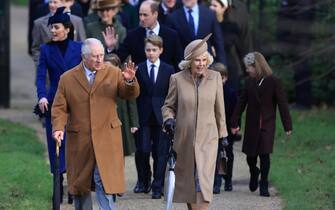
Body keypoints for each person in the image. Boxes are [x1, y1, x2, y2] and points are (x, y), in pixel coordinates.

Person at [51, 38, 139, 209]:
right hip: (80, 139)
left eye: (101, 55)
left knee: (103, 180)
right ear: (84, 57)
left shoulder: (113, 72)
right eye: (95, 56)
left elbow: (129, 94)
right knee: (80, 185)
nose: (100, 59)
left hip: (107, 137)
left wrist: (129, 81)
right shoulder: (67, 78)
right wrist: (58, 128)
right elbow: (59, 108)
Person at [162, 34, 227, 210]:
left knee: (203, 182)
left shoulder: (215, 78)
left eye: (204, 60)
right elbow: (168, 106)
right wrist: (168, 119)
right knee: (188, 183)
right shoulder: (177, 79)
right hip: (184, 139)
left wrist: (223, 136)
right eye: (197, 60)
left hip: (208, 139)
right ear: (189, 62)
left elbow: (220, 110)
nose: (201, 64)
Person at [35, 6, 82, 204]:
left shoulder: (79, 48)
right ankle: (58, 178)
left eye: (56, 27)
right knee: (55, 140)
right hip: (54, 101)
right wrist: (42, 96)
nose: (52, 31)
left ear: (67, 29)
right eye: (51, 28)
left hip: (76, 102)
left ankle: (73, 181)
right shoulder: (46, 49)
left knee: (74, 142)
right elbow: (40, 77)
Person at [231, 52, 293, 197]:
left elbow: (282, 104)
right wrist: (234, 121)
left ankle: (263, 184)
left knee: (265, 155)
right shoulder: (249, 82)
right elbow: (241, 103)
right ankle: (254, 172)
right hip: (252, 125)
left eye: (249, 67)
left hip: (267, 125)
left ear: (256, 66)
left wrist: (287, 125)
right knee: (250, 156)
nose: (247, 70)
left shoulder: (274, 81)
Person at [134, 35, 175, 199]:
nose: (150, 53)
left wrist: (171, 116)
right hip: (143, 116)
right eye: (148, 50)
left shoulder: (168, 69)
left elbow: (171, 94)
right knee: (143, 150)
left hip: (161, 116)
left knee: (161, 152)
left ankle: (158, 186)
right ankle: (145, 180)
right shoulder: (139, 68)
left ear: (161, 50)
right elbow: (135, 94)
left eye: (154, 50)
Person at [107, 0, 182, 70]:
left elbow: (178, 63)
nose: (141, 18)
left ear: (155, 14)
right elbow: (118, 59)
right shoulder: (133, 35)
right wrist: (111, 48)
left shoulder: (171, 35)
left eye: (145, 15)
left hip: (166, 82)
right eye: (140, 15)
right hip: (140, 82)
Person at [209, 0, 252, 91]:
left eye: (215, 6)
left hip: (230, 69)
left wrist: (247, 68)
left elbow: (242, 47)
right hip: (212, 69)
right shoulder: (208, 25)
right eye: (211, 5)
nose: (211, 8)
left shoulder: (232, 26)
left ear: (223, 8)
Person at [31, 0, 86, 67]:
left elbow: (83, 46)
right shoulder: (39, 23)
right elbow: (36, 48)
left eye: (55, 2)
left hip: (72, 71)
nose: (52, 5)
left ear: (64, 3)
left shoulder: (77, 21)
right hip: (50, 72)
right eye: (50, 2)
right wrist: (42, 65)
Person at [104, 53, 139, 156]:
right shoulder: (99, 80)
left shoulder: (123, 80)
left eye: (111, 67)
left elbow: (131, 103)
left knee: (120, 149)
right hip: (105, 121)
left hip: (122, 118)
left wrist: (134, 123)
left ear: (117, 67)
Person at [211, 62, 238, 193]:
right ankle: (217, 180)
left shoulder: (230, 92)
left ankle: (227, 178)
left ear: (225, 78)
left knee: (227, 154)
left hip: (227, 126)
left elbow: (236, 111)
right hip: (212, 126)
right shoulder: (209, 91)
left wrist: (235, 125)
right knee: (215, 154)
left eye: (221, 78)